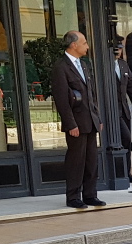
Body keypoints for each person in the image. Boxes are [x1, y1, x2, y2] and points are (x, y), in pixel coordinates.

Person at [52, 31, 104, 209]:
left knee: (91, 160)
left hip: (90, 121)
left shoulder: (84, 65)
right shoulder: (61, 67)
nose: (87, 46)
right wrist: (70, 124)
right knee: (76, 161)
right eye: (84, 43)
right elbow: (61, 99)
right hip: (76, 123)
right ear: (74, 45)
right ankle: (73, 197)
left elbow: (90, 94)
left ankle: (90, 194)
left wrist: (97, 117)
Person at [114, 43, 132, 184]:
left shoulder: (123, 64)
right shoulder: (103, 64)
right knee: (123, 138)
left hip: (124, 109)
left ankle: (127, 173)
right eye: (116, 48)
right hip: (111, 111)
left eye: (120, 49)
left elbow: (131, 87)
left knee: (127, 142)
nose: (118, 51)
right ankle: (117, 173)